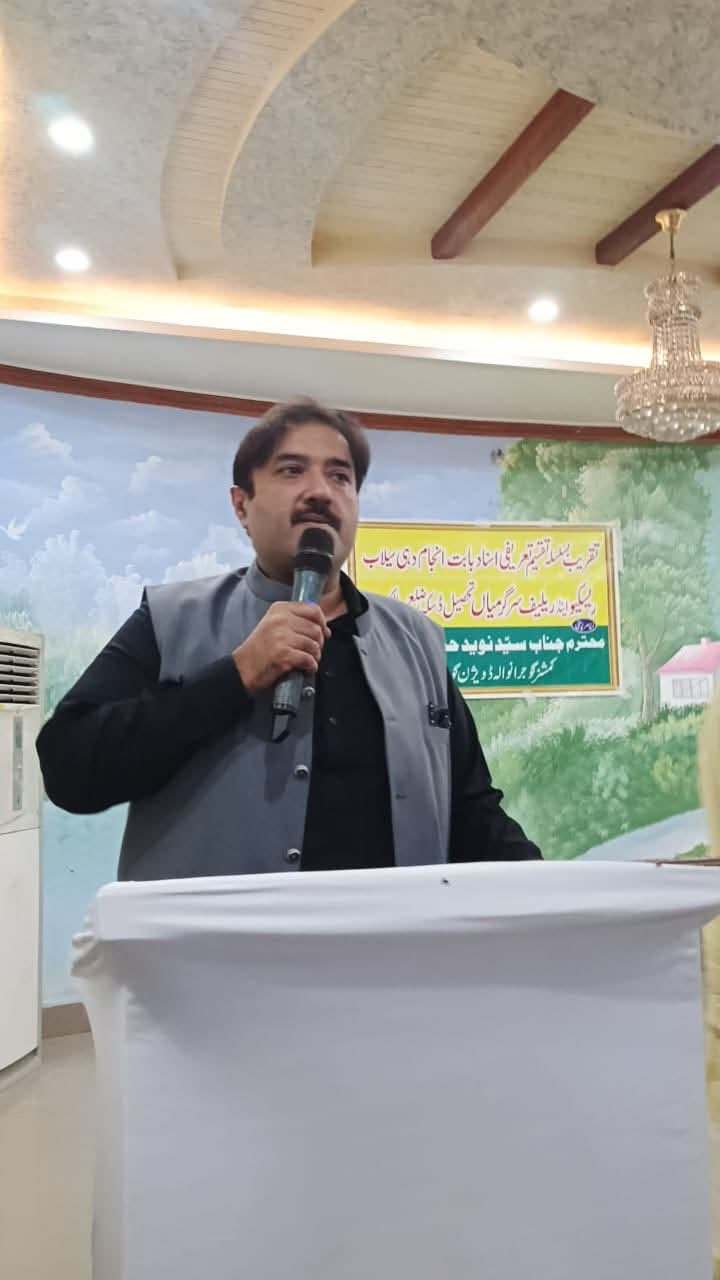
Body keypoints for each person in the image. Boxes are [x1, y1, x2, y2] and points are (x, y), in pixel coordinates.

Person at [36, 398, 541, 878]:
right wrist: (235, 677)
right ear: (241, 505)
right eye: (291, 470)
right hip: (219, 941)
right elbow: (69, 770)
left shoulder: (419, 642)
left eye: (340, 476)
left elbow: (472, 811)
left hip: (393, 937)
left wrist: (558, 891)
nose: (320, 490)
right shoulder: (171, 619)